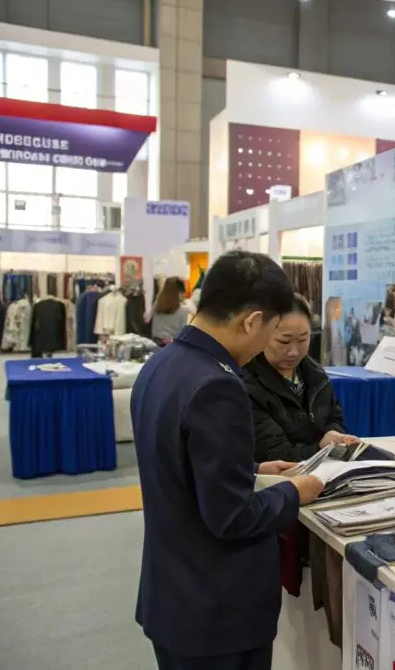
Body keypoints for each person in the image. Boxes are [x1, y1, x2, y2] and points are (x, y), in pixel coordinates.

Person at [131, 251, 326, 670]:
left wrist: (251, 471)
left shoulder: (162, 363)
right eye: (273, 332)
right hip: (217, 609)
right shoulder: (218, 385)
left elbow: (179, 464)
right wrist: (295, 492)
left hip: (175, 596)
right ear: (252, 322)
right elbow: (232, 517)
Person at [244, 293, 359, 463]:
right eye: (284, 341)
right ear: (262, 334)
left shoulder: (316, 375)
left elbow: (334, 417)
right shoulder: (247, 384)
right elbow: (272, 453)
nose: (294, 352)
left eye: (303, 340)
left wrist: (334, 434)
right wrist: (320, 447)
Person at [150, 276, 190, 343]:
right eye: (183, 291)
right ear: (178, 292)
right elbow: (182, 334)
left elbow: (150, 318)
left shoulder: (157, 304)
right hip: (171, 344)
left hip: (155, 341)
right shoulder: (184, 310)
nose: (184, 294)